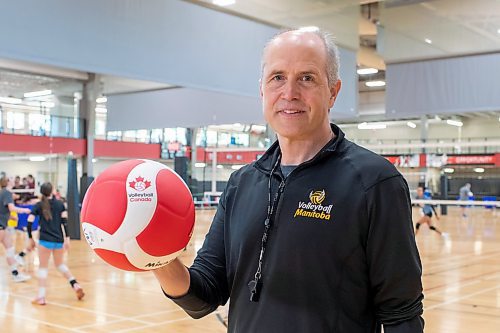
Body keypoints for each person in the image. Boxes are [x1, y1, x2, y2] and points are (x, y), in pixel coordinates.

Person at [152, 28, 424, 332]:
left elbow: (402, 315)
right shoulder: (241, 184)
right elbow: (203, 296)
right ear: (262, 90)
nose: (289, 92)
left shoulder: (375, 183)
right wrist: (154, 256)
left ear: (333, 91)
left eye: (307, 78)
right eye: (277, 77)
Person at [27, 182, 84, 305]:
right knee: (60, 265)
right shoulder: (60, 204)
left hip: (45, 240)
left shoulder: (38, 205)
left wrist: (30, 238)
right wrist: (67, 238)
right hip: (58, 240)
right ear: (52, 191)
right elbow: (65, 222)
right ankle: (75, 284)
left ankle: (41, 297)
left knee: (43, 268)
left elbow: (29, 222)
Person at [0, 176, 31, 282]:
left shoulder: (3, 193)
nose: (14, 180)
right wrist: (24, 210)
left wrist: (11, 217)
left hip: (3, 227)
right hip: (1, 228)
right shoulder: (7, 193)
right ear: (7, 182)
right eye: (11, 178)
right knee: (9, 249)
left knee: (10, 249)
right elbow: (12, 208)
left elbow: (3, 211)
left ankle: (15, 274)